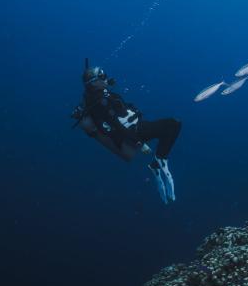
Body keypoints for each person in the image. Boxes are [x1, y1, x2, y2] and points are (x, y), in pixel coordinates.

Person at [71, 61, 181, 204]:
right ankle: (159, 160)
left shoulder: (100, 95)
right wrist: (139, 143)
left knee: (172, 125)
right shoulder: (100, 102)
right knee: (173, 124)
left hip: (136, 126)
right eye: (102, 76)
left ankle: (157, 163)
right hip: (134, 132)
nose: (106, 78)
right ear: (94, 82)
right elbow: (115, 126)